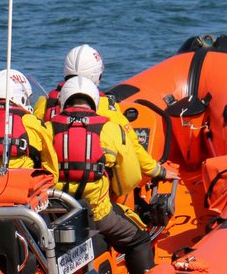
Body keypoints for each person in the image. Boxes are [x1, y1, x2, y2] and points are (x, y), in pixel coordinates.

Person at [47, 76, 157, 274]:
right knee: (139, 240)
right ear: (95, 102)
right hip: (98, 214)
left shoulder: (46, 129)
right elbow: (130, 177)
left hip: (56, 215)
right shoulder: (110, 129)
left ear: (62, 100)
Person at [34, 44, 171, 184]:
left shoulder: (44, 103)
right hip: (93, 186)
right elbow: (132, 147)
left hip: (51, 184)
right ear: (97, 75)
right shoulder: (106, 106)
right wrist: (158, 171)